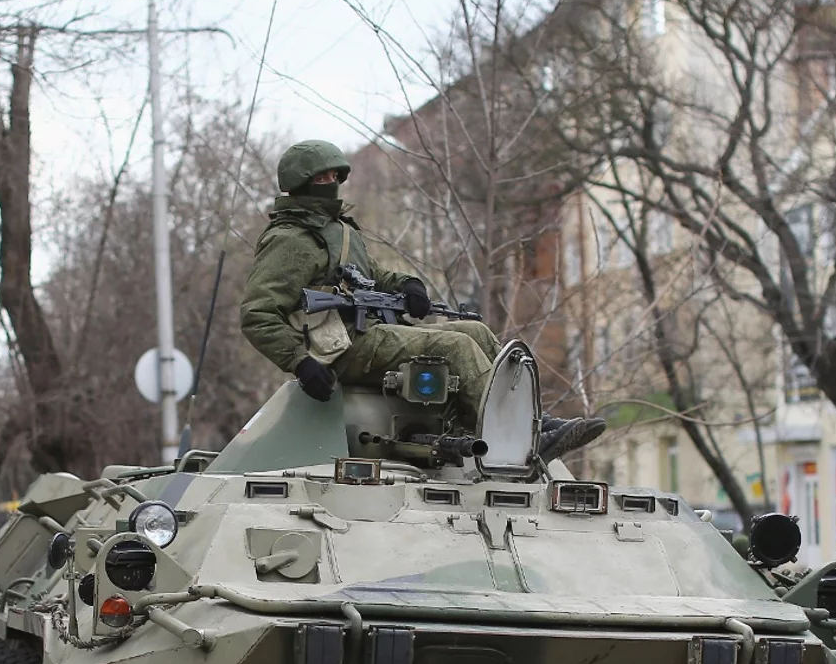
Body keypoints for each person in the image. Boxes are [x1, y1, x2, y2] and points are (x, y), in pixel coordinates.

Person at [240, 139, 605, 456]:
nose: (331, 184)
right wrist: (302, 364)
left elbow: (374, 278)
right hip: (338, 348)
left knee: (473, 333)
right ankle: (516, 435)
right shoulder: (289, 240)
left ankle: (536, 422)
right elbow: (258, 314)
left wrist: (407, 286)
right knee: (454, 348)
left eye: (335, 177)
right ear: (300, 183)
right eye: (322, 178)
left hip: (366, 335)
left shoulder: (340, 232)